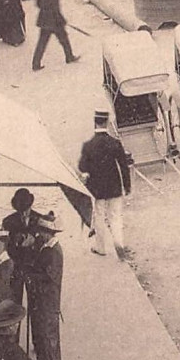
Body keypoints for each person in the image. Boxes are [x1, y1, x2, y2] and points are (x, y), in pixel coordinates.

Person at [79, 109, 131, 258]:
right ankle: (119, 244)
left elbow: (83, 167)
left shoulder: (88, 145)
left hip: (97, 189)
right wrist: (126, 186)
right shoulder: (115, 143)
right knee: (115, 216)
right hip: (114, 187)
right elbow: (123, 166)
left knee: (100, 217)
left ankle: (101, 247)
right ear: (107, 123)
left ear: (95, 123)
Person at [26, 213, 64, 360]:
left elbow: (49, 276)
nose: (39, 234)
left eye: (42, 231)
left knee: (47, 334)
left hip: (47, 299)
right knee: (41, 332)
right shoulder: (45, 247)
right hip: (40, 296)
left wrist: (31, 276)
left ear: (49, 232)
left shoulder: (53, 251)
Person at [2, 189, 42, 305]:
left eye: (26, 210)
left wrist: (34, 240)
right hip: (16, 266)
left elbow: (44, 244)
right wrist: (15, 241)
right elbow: (6, 245)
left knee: (35, 302)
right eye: (21, 211)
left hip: (34, 266)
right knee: (14, 299)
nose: (24, 214)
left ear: (30, 205)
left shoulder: (40, 220)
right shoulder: (8, 221)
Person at [32, 0, 78, 69]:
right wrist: (63, 21)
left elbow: (38, 4)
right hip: (55, 22)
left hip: (43, 21)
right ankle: (69, 57)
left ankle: (35, 64)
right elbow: (56, 10)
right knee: (64, 40)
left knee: (42, 43)